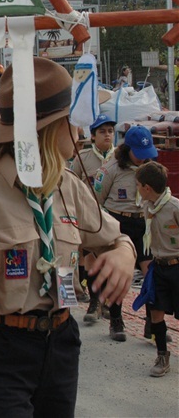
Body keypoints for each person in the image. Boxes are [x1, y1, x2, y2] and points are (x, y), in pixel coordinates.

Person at [0, 57, 136, 416]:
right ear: (46, 128)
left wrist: (124, 255)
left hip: (60, 344)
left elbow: (117, 239)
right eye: (72, 122)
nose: (80, 132)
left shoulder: (69, 186)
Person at [94, 125, 158, 341]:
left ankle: (152, 324)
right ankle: (116, 320)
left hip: (143, 225)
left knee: (152, 274)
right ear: (127, 150)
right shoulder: (110, 169)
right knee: (119, 275)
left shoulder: (150, 168)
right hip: (119, 223)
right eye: (138, 155)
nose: (142, 159)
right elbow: (97, 200)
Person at [69, 113, 116, 318]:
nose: (107, 135)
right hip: (89, 215)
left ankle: (112, 306)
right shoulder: (84, 158)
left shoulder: (119, 158)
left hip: (113, 216)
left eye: (110, 131)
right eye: (102, 131)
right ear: (93, 136)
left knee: (111, 259)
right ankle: (95, 302)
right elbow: (72, 183)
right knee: (90, 258)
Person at [135, 162, 178, 376]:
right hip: (158, 267)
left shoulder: (175, 208)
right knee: (155, 313)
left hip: (177, 267)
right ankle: (162, 356)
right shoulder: (147, 206)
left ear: (147, 187)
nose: (137, 189)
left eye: (138, 185)